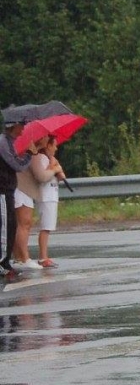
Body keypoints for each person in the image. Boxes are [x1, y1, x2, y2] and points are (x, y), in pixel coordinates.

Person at [0, 117, 37, 281]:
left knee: (11, 226)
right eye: (21, 125)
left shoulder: (10, 142)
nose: (23, 128)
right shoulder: (3, 142)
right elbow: (17, 165)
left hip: (8, 189)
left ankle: (6, 262)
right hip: (2, 190)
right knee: (5, 227)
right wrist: (29, 154)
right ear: (14, 126)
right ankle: (2, 263)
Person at [13, 135, 55, 269]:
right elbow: (41, 176)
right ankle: (24, 258)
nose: (46, 138)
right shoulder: (31, 152)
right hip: (23, 188)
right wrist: (54, 169)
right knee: (24, 224)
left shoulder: (29, 151)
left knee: (19, 224)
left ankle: (18, 257)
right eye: (45, 136)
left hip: (21, 188)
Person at [33, 136, 65, 267]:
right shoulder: (41, 158)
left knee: (49, 226)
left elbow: (62, 176)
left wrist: (57, 167)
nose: (56, 148)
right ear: (48, 146)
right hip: (45, 196)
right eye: (54, 145)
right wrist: (53, 167)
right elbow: (43, 176)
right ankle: (42, 257)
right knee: (45, 227)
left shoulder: (51, 159)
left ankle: (44, 256)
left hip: (52, 195)